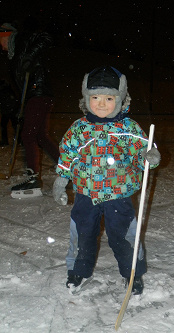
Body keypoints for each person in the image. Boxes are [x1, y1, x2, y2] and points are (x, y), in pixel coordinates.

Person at [53, 66, 161, 294]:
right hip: (86, 194)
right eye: (95, 97)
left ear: (120, 99)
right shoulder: (79, 129)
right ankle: (77, 270)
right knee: (82, 234)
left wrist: (151, 157)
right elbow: (67, 155)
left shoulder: (129, 129)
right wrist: (61, 179)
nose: (101, 103)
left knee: (124, 236)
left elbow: (145, 155)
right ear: (86, 99)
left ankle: (132, 272)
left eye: (109, 98)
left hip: (118, 195)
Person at [0, 20, 60, 198]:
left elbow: (46, 37)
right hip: (36, 95)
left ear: (6, 34)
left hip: (39, 92)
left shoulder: (22, 40)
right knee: (40, 135)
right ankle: (67, 169)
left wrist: (30, 57)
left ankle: (32, 177)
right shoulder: (14, 53)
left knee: (28, 135)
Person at [0, 79, 19, 146]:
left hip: (8, 111)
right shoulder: (9, 90)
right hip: (11, 110)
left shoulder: (4, 91)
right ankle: (19, 140)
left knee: (5, 125)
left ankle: (6, 141)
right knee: (15, 125)